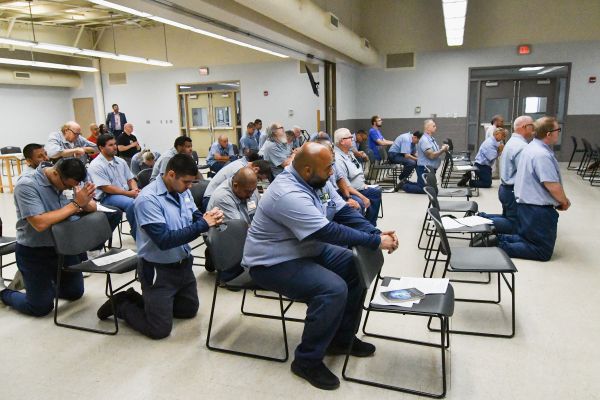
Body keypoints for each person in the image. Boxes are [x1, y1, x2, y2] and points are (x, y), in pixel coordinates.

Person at [242, 142, 398, 390]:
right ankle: (306, 360)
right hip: (272, 261)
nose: (331, 173)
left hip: (306, 248)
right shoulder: (287, 193)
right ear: (306, 170)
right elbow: (328, 231)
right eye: (328, 168)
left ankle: (342, 338)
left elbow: (343, 212)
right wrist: (376, 241)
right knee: (332, 289)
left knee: (354, 267)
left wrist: (374, 232)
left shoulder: (318, 180)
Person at [96, 154, 224, 339]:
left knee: (188, 311)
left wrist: (208, 218)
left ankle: (141, 300)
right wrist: (204, 224)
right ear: (171, 174)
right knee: (159, 330)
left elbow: (194, 214)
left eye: (191, 183)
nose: (190, 187)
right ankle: (122, 304)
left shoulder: (182, 190)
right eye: (187, 182)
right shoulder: (148, 199)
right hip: (158, 269)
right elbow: (164, 240)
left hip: (183, 265)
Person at [0, 158, 102, 316]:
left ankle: (38, 287)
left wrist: (85, 201)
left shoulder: (70, 180)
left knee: (75, 293)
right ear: (55, 173)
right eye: (68, 185)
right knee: (40, 308)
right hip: (35, 250)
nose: (70, 188)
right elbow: (39, 223)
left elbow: (92, 206)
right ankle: (4, 293)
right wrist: (75, 204)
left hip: (63, 246)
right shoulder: (27, 185)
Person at [497, 116, 570, 261]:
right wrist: (564, 201)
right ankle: (497, 246)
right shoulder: (540, 154)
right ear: (549, 134)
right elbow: (552, 185)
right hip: (537, 208)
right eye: (558, 130)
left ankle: (495, 240)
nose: (558, 133)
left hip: (528, 205)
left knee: (525, 238)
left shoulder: (531, 147)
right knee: (541, 251)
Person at [479, 116, 535, 234]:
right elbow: (525, 174)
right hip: (511, 191)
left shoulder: (512, 142)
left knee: (507, 218)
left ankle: (480, 218)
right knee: (513, 224)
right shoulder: (521, 147)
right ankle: (479, 223)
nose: (534, 129)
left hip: (505, 189)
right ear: (524, 127)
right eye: (532, 126)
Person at [88, 134, 139, 239]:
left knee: (145, 199)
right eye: (110, 145)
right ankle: (138, 236)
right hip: (106, 197)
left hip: (123, 193)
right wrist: (129, 193)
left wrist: (135, 189)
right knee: (132, 204)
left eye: (115, 144)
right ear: (101, 148)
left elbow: (130, 179)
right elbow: (106, 188)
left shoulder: (120, 161)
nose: (115, 147)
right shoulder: (96, 165)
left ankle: (146, 233)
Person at [333, 128, 382, 226]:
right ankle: (364, 227)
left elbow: (357, 170)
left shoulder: (349, 153)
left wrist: (363, 184)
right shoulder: (338, 159)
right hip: (350, 191)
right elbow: (345, 186)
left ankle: (370, 225)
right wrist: (363, 197)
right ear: (342, 141)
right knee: (360, 201)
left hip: (360, 187)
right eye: (350, 137)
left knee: (376, 192)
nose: (352, 139)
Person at [202, 157, 271, 211]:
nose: (257, 181)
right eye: (258, 178)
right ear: (256, 169)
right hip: (211, 200)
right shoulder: (240, 170)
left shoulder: (244, 165)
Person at [415, 119, 449, 192]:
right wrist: (442, 150)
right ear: (428, 128)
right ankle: (404, 184)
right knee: (424, 190)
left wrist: (443, 148)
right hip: (424, 169)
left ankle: (406, 183)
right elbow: (431, 156)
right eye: (433, 126)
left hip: (430, 169)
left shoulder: (431, 138)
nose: (435, 127)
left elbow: (436, 152)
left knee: (429, 188)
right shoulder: (424, 140)